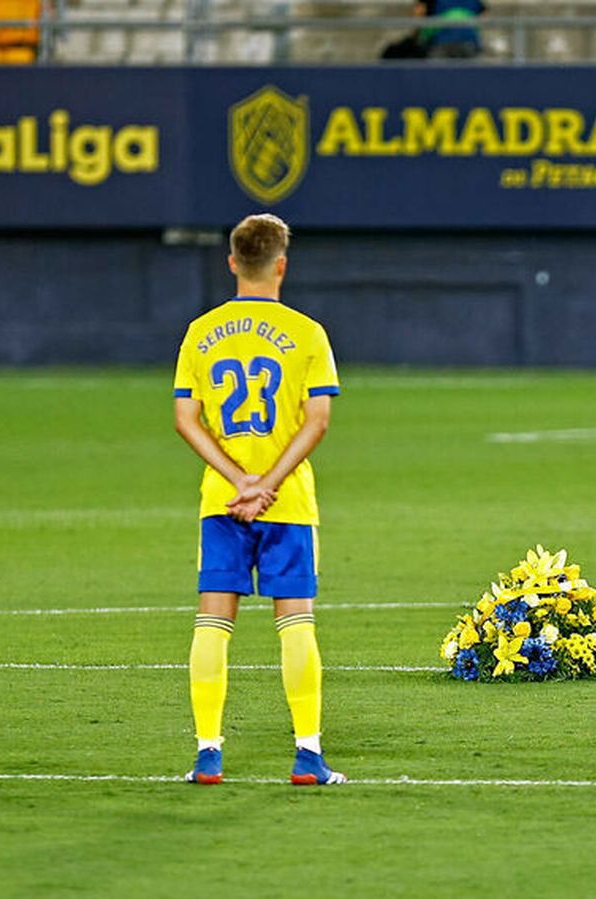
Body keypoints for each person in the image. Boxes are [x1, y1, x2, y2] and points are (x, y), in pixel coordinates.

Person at [173, 213, 345, 786]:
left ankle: (206, 753)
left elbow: (185, 420)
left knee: (211, 620)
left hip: (222, 501)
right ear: (281, 264)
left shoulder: (201, 331)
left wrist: (238, 479)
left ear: (231, 263)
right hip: (288, 502)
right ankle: (307, 754)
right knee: (295, 622)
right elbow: (317, 421)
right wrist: (268, 482)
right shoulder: (308, 332)